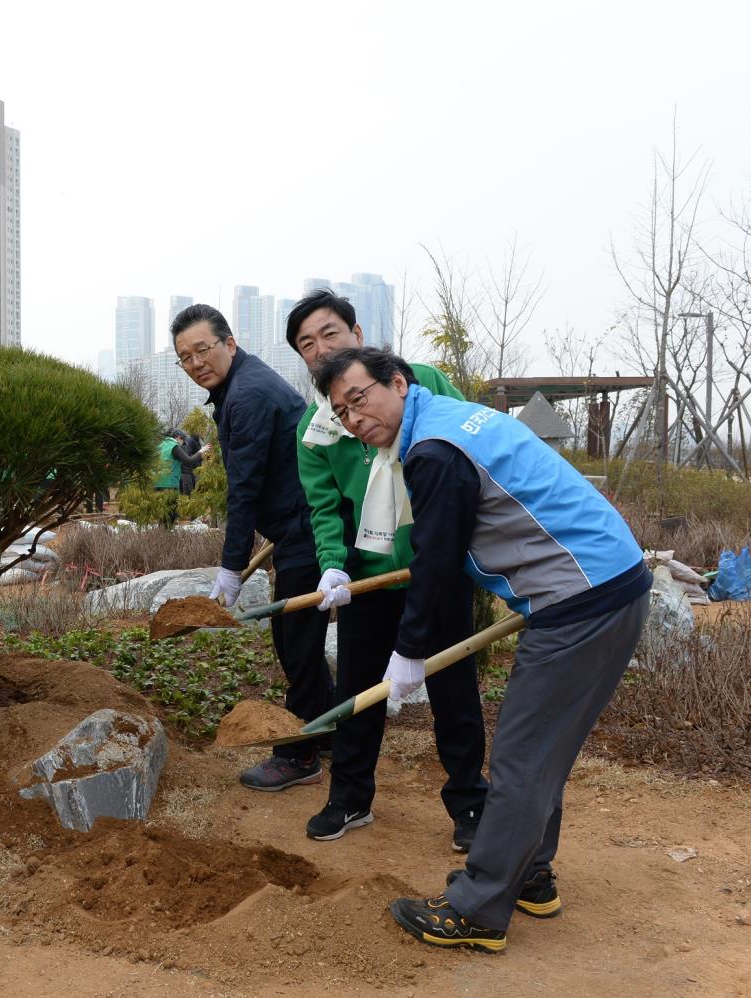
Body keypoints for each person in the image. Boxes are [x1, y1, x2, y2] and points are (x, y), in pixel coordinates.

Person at [314, 347, 650, 953]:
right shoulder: (449, 418)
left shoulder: (433, 451)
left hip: (578, 601)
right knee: (544, 752)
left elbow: (436, 561)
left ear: (397, 382)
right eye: (341, 413)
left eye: (360, 399)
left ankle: (479, 906)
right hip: (610, 582)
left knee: (522, 755)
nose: (355, 419)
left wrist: (409, 650)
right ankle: (528, 873)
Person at [286, 291, 487, 847]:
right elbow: (324, 507)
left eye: (330, 334)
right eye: (307, 344)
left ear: (356, 332)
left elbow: (466, 454)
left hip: (437, 567)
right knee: (357, 688)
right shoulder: (316, 426)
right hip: (369, 577)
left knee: (452, 687)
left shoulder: (420, 381)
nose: (321, 348)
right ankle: (350, 797)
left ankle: (470, 805)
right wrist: (332, 567)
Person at [170, 304, 334, 790]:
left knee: (297, 642)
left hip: (310, 527)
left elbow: (243, 489)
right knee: (294, 636)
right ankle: (330, 730)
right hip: (294, 527)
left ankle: (302, 753)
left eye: (203, 349)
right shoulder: (237, 388)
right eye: (186, 357)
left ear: (229, 344)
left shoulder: (249, 395)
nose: (197, 362)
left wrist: (230, 568)